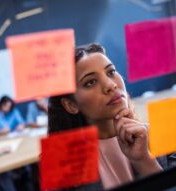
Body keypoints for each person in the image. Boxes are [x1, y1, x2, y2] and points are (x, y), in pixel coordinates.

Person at [48, 43, 163, 190]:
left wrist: (144, 160)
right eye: (90, 82)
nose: (110, 85)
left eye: (111, 72)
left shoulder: (159, 135)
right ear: (71, 105)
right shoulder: (64, 165)